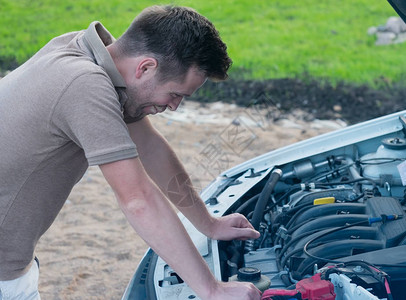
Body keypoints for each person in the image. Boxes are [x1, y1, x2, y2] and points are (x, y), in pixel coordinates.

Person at [0, 5, 262, 300]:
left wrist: (208, 223)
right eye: (175, 94)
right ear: (146, 67)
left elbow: (150, 147)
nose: (174, 106)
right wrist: (212, 290)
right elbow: (138, 199)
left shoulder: (89, 52)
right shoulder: (84, 85)